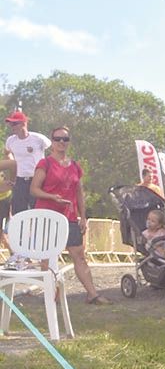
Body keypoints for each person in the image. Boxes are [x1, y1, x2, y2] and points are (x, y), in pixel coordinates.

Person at [29, 126, 109, 303]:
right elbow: (34, 189)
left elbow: (79, 193)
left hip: (69, 217)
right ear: (52, 142)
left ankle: (92, 294)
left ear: (69, 142)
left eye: (65, 139)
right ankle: (52, 294)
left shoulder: (74, 166)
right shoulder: (45, 163)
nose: (61, 142)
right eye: (58, 139)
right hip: (47, 215)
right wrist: (52, 197)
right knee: (48, 257)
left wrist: (83, 216)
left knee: (79, 254)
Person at [5, 110, 49, 217]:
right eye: (11, 124)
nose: (12, 126)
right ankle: (20, 233)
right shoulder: (11, 141)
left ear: (24, 123)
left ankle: (37, 233)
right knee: (18, 211)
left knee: (37, 210)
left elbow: (52, 153)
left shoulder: (38, 139)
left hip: (36, 179)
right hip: (19, 180)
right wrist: (12, 166)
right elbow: (7, 153)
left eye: (15, 123)